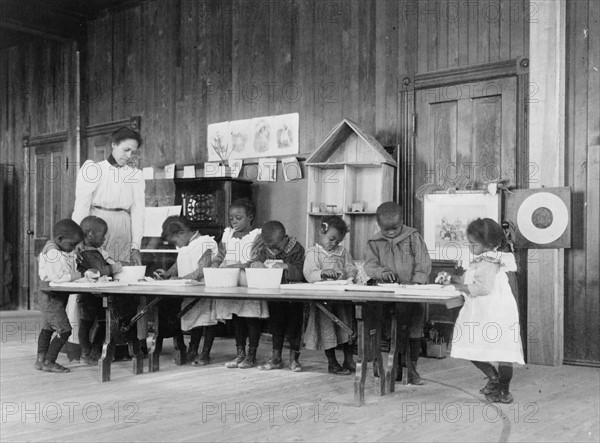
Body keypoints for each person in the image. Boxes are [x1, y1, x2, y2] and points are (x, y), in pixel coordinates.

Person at [72, 126, 147, 351]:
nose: (129, 156)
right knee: (96, 283)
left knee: (121, 281)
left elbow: (139, 211)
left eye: (133, 152)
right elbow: (81, 204)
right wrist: (78, 237)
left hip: (123, 226)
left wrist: (136, 245)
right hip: (96, 227)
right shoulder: (93, 169)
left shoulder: (135, 175)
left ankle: (121, 342)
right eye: (125, 150)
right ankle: (90, 344)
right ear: (113, 145)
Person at [438, 218, 524, 404]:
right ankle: (501, 388)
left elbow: (482, 287)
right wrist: (454, 279)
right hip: (494, 310)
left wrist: (459, 288)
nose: (470, 247)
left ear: (489, 244)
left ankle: (498, 384)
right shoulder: (488, 258)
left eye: (473, 244)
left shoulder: (488, 261)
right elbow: (471, 278)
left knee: (471, 344)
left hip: (490, 310)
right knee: (502, 351)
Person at [364, 201, 432, 385]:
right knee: (390, 330)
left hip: (413, 294)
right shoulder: (375, 242)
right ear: (379, 226)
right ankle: (393, 368)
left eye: (395, 228)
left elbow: (423, 262)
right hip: (388, 296)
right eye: (387, 230)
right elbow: (370, 265)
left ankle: (411, 369)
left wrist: (417, 281)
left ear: (402, 220)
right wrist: (381, 273)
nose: (392, 232)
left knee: (413, 330)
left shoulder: (413, 237)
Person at [157, 216, 218, 366]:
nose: (175, 244)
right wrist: (168, 273)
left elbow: (202, 270)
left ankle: (205, 352)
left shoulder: (205, 242)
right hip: (190, 289)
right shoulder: (186, 246)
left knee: (208, 320)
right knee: (194, 319)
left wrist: (180, 279)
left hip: (205, 288)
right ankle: (193, 349)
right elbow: (180, 262)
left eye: (174, 241)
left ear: (182, 234)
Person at [213, 198, 266, 369]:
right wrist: (215, 264)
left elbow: (257, 259)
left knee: (250, 318)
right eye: (231, 218)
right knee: (236, 318)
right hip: (231, 281)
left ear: (249, 217)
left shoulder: (257, 235)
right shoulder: (227, 234)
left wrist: (238, 265)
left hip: (248, 282)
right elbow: (221, 255)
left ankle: (252, 355)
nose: (234, 221)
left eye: (238, 218)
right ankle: (240, 353)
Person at [303, 215, 357, 375]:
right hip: (324, 300)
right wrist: (323, 273)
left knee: (347, 328)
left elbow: (351, 267)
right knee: (327, 330)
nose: (334, 244)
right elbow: (309, 274)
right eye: (331, 239)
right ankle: (332, 363)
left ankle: (349, 360)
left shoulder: (342, 252)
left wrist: (349, 273)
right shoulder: (313, 253)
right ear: (322, 231)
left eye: (337, 242)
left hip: (341, 299)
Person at [249, 221, 305, 372]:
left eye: (275, 245)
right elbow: (255, 261)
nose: (273, 249)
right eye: (269, 246)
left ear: (284, 238)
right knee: (276, 326)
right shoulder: (266, 249)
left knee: (294, 328)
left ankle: (294, 359)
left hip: (294, 296)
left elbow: (302, 272)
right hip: (274, 295)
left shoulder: (297, 248)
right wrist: (257, 265)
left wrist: (286, 267)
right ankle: (276, 358)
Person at [36, 219, 84, 373]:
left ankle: (41, 360)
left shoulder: (56, 249)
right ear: (60, 239)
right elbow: (59, 277)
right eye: (71, 244)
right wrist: (80, 275)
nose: (72, 248)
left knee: (47, 328)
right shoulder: (53, 253)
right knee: (64, 331)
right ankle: (49, 361)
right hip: (51, 298)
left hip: (49, 297)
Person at [76, 216, 123, 365]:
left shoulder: (96, 252)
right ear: (90, 235)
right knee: (86, 324)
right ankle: (85, 354)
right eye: (102, 235)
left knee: (103, 322)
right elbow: (99, 270)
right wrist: (113, 268)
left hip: (99, 295)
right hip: (88, 296)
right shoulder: (86, 254)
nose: (104, 239)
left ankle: (95, 351)